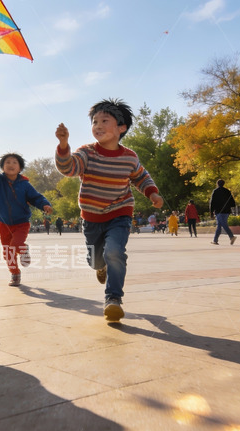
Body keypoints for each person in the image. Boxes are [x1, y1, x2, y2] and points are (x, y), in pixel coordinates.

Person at [55, 98, 163, 322]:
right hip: (92, 217)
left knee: (114, 251)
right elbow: (69, 168)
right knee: (95, 260)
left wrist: (152, 192)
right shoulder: (87, 152)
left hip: (120, 212)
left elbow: (141, 176)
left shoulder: (129, 157)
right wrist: (64, 146)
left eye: (105, 120)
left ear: (121, 128)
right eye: (95, 121)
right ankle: (100, 267)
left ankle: (113, 299)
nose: (98, 125)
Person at [0, 148, 53, 286]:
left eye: (14, 162)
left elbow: (35, 197)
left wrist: (45, 205)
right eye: (7, 162)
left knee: (15, 245)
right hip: (3, 223)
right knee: (8, 251)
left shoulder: (25, 184)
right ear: (2, 167)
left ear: (20, 168)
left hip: (21, 223)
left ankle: (24, 249)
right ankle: (14, 273)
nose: (11, 164)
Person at [209, 179, 237, 245]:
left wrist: (211, 212)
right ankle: (215, 240)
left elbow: (212, 203)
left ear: (217, 184)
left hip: (219, 211)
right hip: (227, 211)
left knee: (223, 224)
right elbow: (233, 203)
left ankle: (231, 236)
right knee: (219, 225)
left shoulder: (215, 191)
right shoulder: (227, 191)